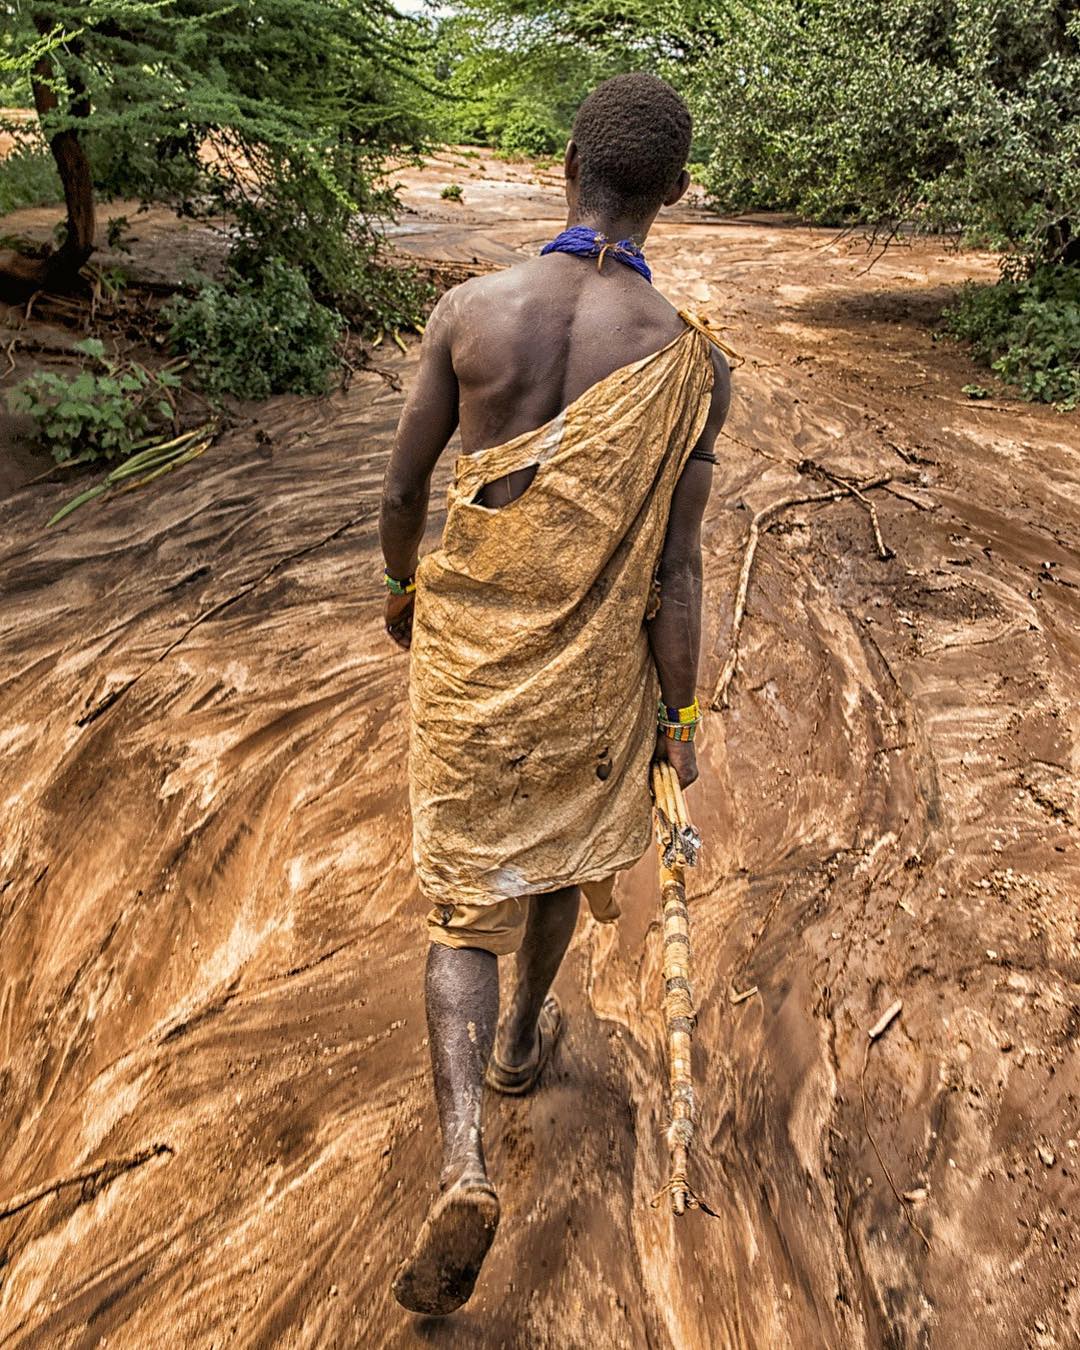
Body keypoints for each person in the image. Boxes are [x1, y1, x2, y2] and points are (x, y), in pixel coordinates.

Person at [379, 72, 731, 1316]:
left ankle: (466, 1154)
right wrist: (681, 722)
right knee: (563, 850)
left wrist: (399, 592)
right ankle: (528, 1033)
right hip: (595, 676)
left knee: (462, 893)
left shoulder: (471, 310)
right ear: (673, 194)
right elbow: (678, 572)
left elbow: (406, 491)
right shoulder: (689, 365)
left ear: (567, 161)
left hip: (471, 663)